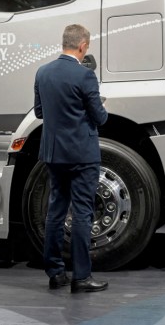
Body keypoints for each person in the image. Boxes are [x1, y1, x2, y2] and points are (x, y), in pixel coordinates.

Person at [34, 23, 110, 293]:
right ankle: (81, 277)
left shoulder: (43, 72)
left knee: (55, 212)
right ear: (83, 45)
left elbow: (39, 113)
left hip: (54, 153)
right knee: (81, 214)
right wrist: (101, 106)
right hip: (82, 154)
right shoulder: (85, 76)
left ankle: (55, 274)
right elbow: (100, 117)